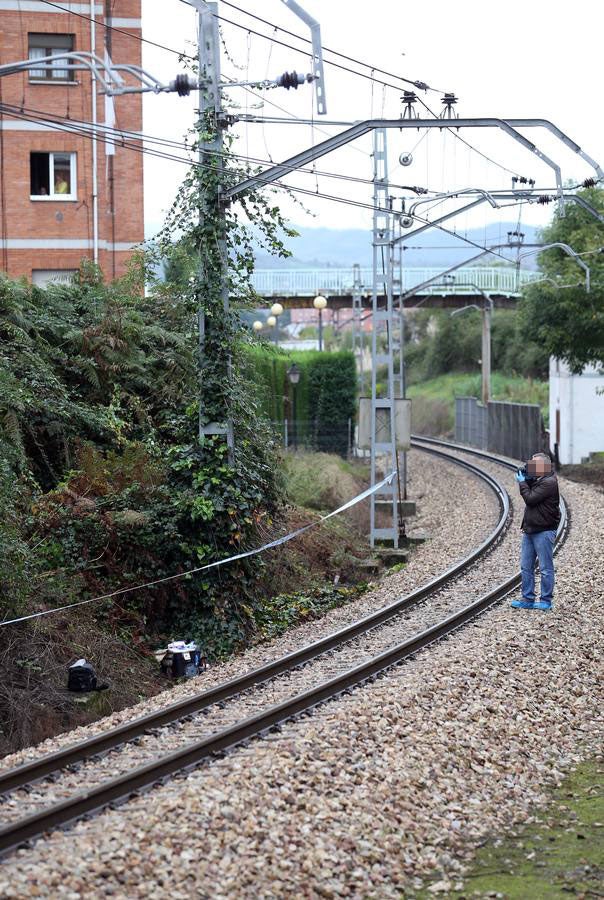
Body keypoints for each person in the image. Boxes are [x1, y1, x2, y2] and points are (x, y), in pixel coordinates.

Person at [511, 451, 561, 611]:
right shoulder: (539, 479)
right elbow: (531, 490)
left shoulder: (549, 482)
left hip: (544, 530)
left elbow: (530, 498)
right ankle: (527, 599)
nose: (531, 467)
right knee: (526, 566)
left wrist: (522, 482)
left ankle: (546, 600)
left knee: (546, 568)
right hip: (530, 529)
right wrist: (526, 477)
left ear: (545, 466)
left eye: (535, 465)